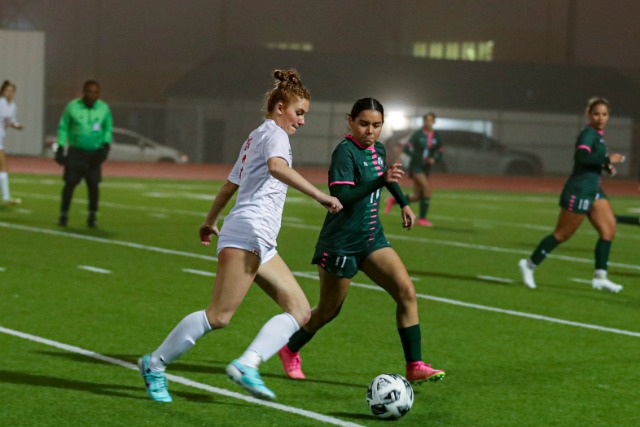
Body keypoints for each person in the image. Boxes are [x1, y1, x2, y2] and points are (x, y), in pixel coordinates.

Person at [138, 69, 344, 403]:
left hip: (260, 239)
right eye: (299, 112)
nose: (302, 121)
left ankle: (247, 364)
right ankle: (154, 364)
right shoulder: (275, 135)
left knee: (300, 310)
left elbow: (229, 185)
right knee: (219, 316)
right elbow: (277, 168)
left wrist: (210, 220)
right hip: (248, 231)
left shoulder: (257, 135)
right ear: (280, 108)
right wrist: (320, 195)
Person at [278, 98, 445, 384]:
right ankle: (289, 348)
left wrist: (404, 203)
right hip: (341, 243)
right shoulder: (344, 153)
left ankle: (414, 365)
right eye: (364, 124)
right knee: (328, 311)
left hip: (371, 239)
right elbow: (342, 198)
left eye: (377, 125)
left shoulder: (378, 149)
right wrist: (380, 180)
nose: (370, 131)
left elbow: (386, 178)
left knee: (406, 292)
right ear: (350, 121)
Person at [519, 97, 626, 292]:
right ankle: (529, 265)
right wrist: (607, 159)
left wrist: (606, 167)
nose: (601, 118)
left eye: (604, 114)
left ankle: (600, 278)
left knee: (608, 231)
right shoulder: (588, 133)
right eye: (596, 114)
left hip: (594, 190)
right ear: (589, 115)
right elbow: (581, 157)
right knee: (562, 235)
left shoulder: (598, 135)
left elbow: (593, 161)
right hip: (579, 190)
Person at [54, 80, 112, 227]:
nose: (92, 95)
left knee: (93, 185)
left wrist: (106, 146)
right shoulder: (72, 107)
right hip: (76, 152)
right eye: (89, 92)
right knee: (70, 183)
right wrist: (60, 147)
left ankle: (92, 216)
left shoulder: (103, 108)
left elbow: (107, 128)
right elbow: (63, 127)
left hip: (94, 153)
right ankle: (63, 214)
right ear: (84, 92)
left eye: (95, 92)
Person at [384, 112, 443, 227]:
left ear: (434, 122)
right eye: (426, 120)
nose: (428, 122)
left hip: (426, 168)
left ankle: (394, 200)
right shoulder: (418, 134)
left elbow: (440, 151)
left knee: (417, 196)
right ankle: (422, 219)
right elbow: (408, 148)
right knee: (427, 190)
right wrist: (418, 157)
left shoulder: (437, 136)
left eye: (430, 120)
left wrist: (434, 159)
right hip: (416, 166)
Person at [0, 80, 24, 205]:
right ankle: (6, 197)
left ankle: (6, 197)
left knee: (3, 167)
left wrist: (17, 126)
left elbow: (10, 121)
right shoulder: (0, 103)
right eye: (7, 90)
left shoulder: (13, 106)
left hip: (1, 138)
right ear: (3, 91)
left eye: (11, 91)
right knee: (3, 166)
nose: (9, 93)